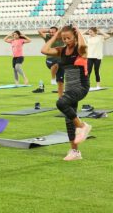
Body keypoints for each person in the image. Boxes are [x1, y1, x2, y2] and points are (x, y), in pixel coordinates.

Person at [41, 25, 91, 161]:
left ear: (74, 37)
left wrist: (79, 32)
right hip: (70, 88)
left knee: (61, 102)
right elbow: (44, 50)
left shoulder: (80, 49)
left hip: (81, 86)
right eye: (64, 38)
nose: (66, 40)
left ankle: (82, 126)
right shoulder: (62, 51)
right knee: (69, 120)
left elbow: (83, 46)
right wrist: (55, 37)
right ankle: (75, 152)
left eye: (68, 38)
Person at [38, 27, 65, 96]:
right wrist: (49, 30)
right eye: (50, 32)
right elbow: (39, 31)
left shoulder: (62, 37)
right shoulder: (48, 37)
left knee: (61, 79)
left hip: (60, 59)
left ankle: (61, 96)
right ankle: (53, 78)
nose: (51, 33)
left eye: (53, 32)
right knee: (55, 64)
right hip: (50, 59)